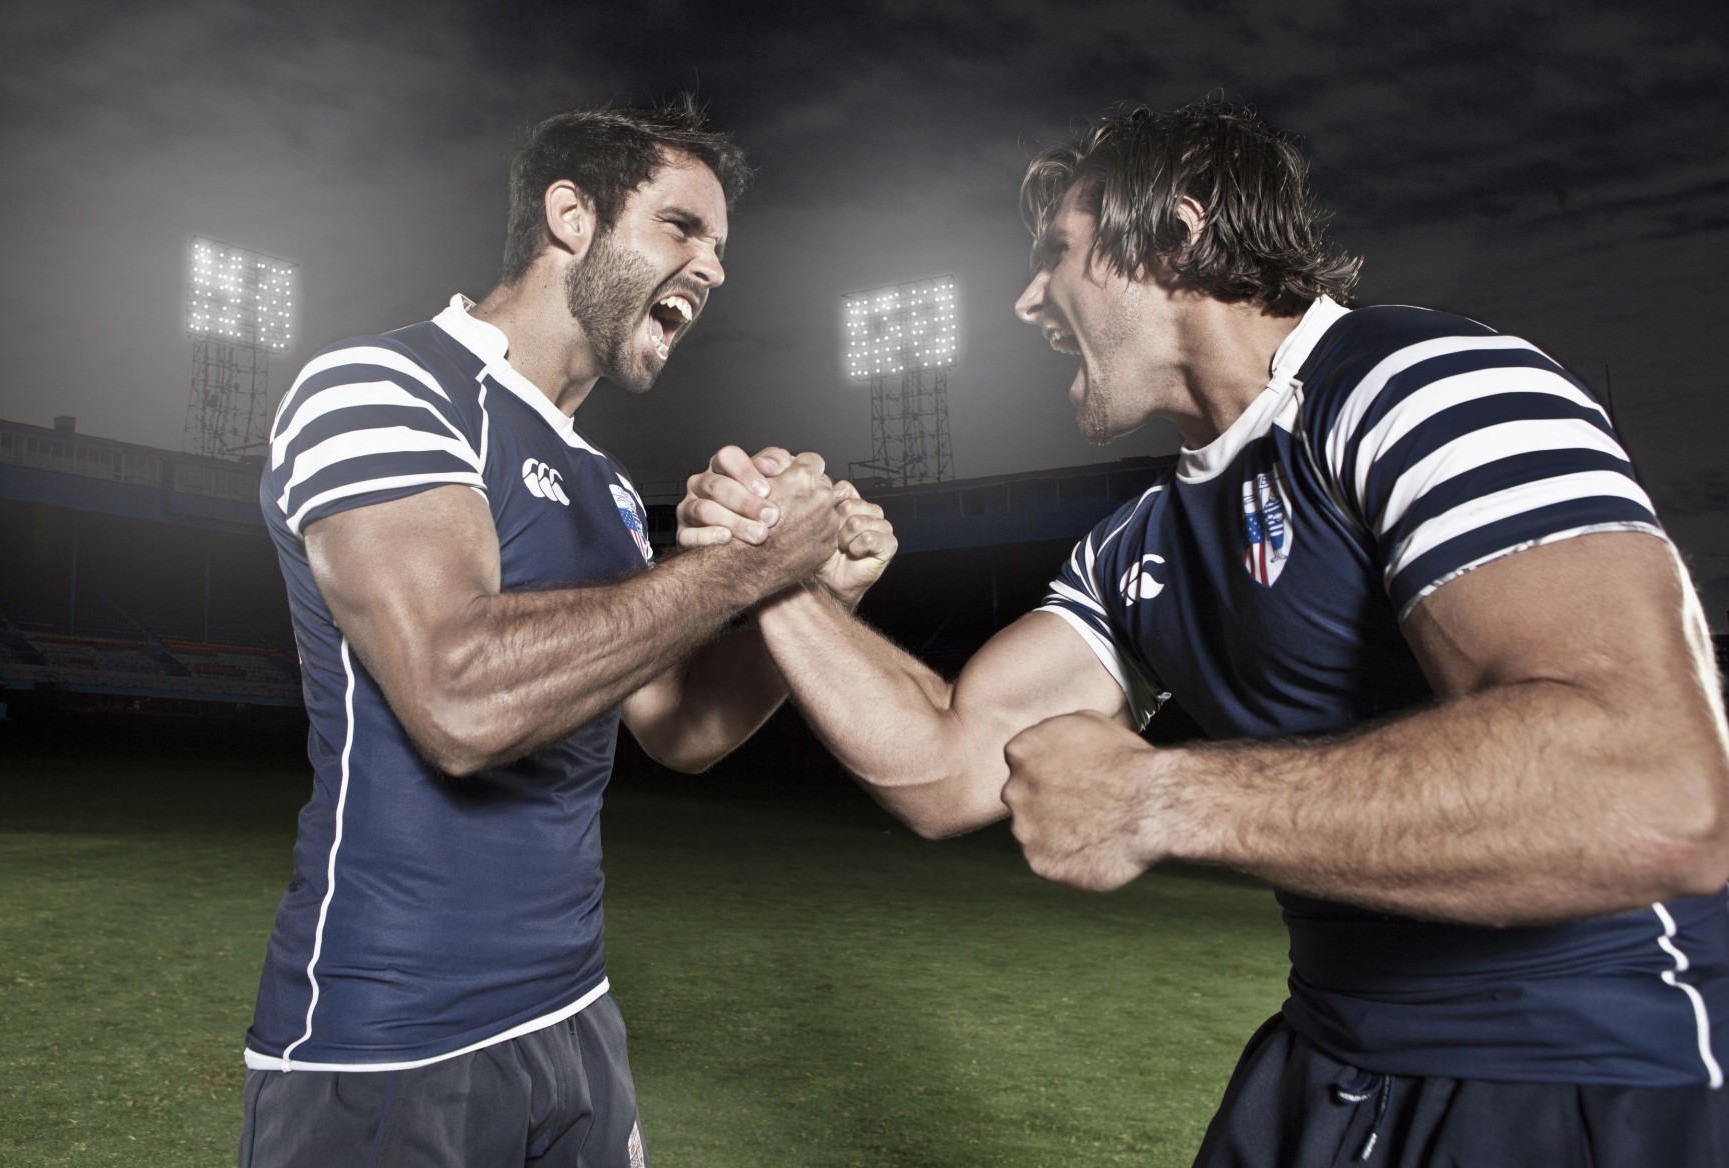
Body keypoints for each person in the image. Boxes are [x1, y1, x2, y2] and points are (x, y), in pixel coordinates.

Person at [683, 101, 1729, 1164]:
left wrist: (1163, 797)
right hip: (1329, 1059)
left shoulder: (1422, 381)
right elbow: (949, 762)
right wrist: (772, 575)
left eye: (1058, 254)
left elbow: (1651, 786)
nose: (1027, 298)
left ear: (1175, 238)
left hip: (1586, 1072)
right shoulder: (1143, 540)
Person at [239, 101, 884, 1168]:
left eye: (721, 247)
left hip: (575, 1019)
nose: (713, 269)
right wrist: (742, 563)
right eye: (683, 227)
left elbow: (679, 729)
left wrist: (812, 593)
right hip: (387, 1046)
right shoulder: (382, 386)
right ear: (571, 217)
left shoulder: (610, 490)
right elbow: (458, 696)